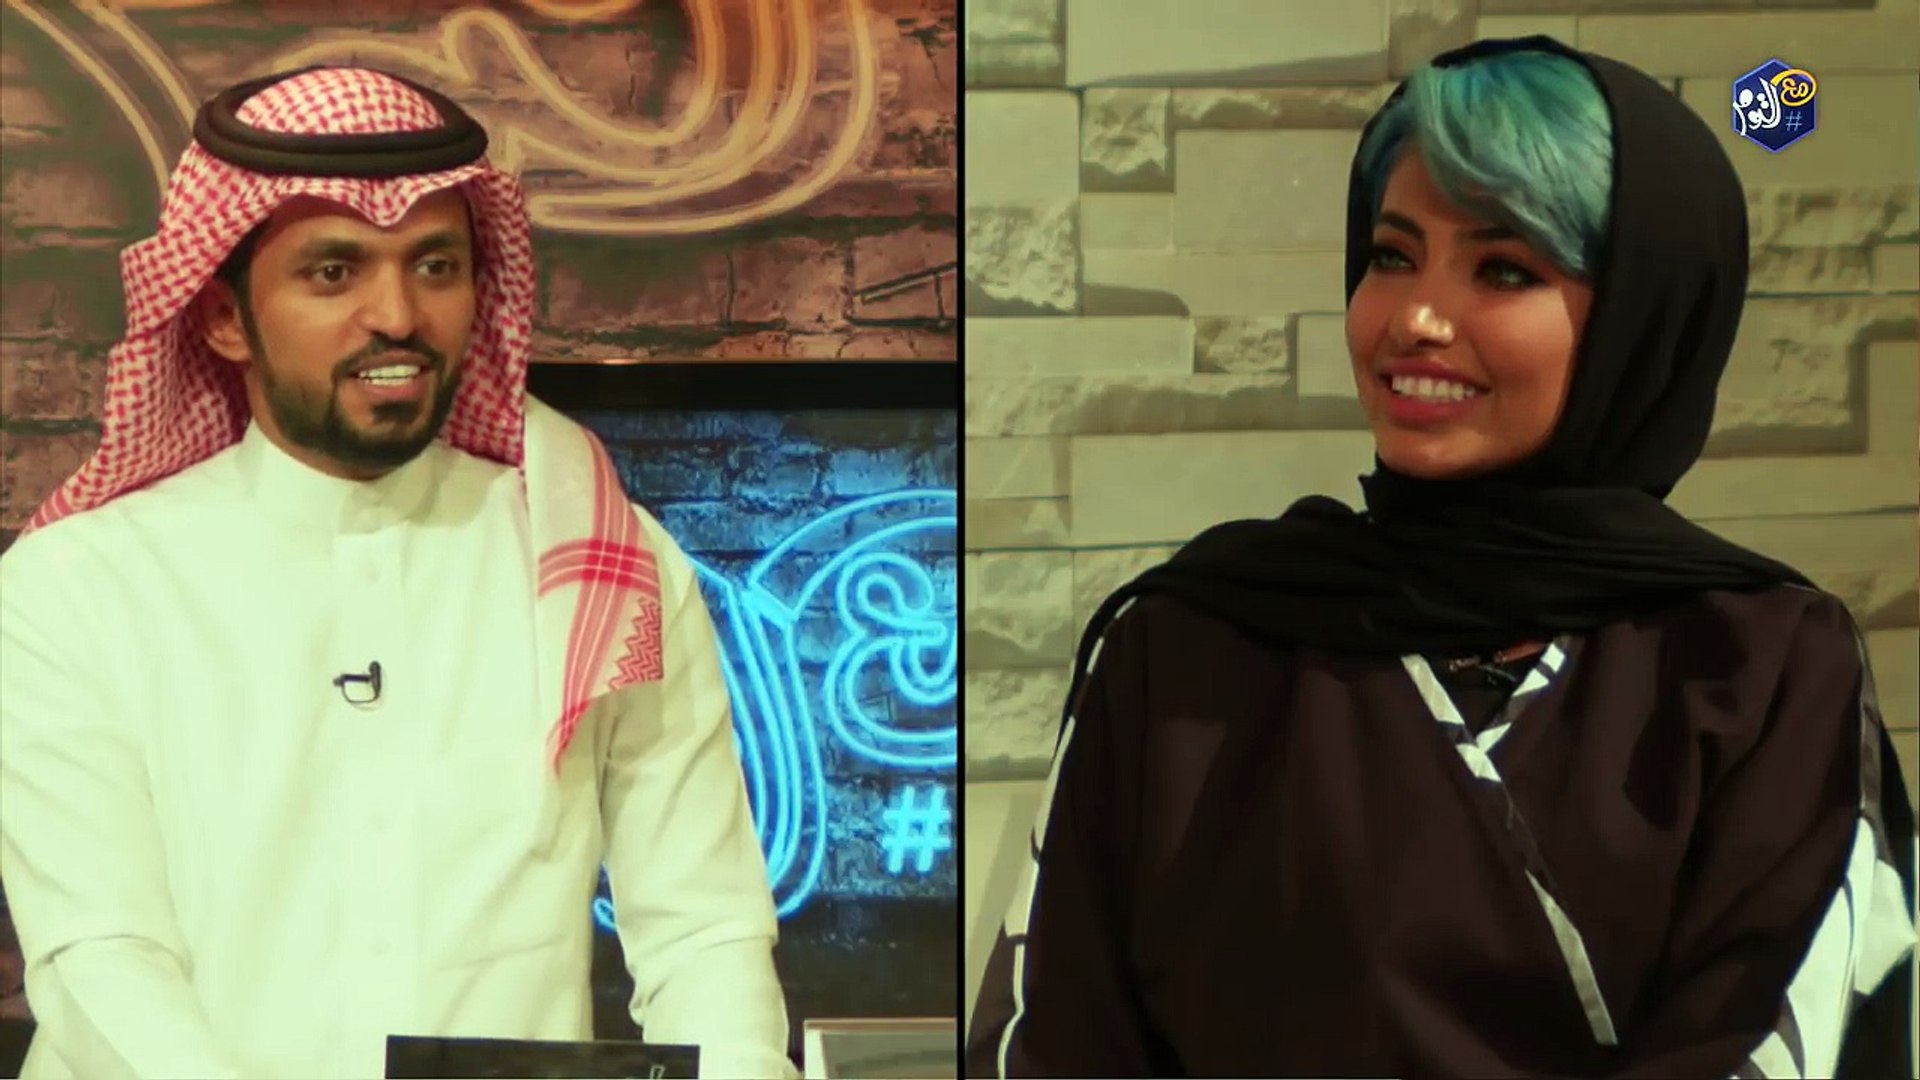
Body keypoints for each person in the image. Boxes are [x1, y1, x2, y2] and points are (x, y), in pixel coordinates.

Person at [966, 36, 1915, 1080]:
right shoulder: (1183, 646)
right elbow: (1052, 1034)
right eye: (1391, 256)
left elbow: (1777, 1039)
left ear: (1643, 318)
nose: (1414, 319)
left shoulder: (1764, 669)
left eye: (1504, 270)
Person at [0, 66, 795, 1079]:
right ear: (223, 318)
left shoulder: (604, 562)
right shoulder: (77, 587)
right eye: (333, 271)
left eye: (434, 266)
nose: (398, 315)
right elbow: (100, 957)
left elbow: (704, 931)